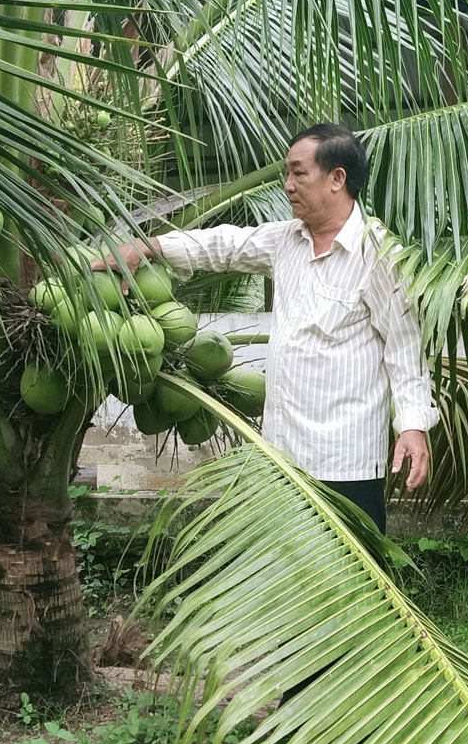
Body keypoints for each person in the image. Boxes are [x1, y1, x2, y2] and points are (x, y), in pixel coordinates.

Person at [91, 123, 438, 534]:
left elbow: (404, 346)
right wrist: (148, 247)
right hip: (283, 455)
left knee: (350, 583)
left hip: (345, 461)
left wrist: (413, 426)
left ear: (336, 179)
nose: (288, 185)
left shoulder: (378, 254)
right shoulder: (286, 240)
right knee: (286, 577)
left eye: (298, 173)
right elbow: (222, 245)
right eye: (286, 174)